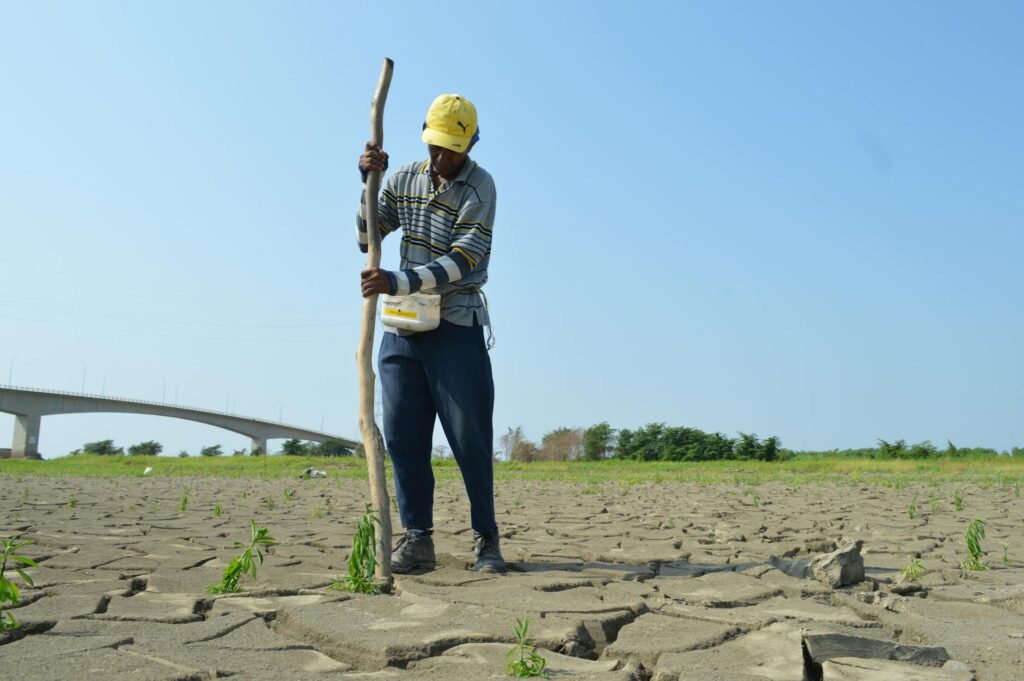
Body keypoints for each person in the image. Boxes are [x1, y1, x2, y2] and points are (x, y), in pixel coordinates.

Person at [356, 93, 504, 573]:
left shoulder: (480, 189)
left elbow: (463, 261)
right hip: (402, 329)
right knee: (402, 435)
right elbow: (367, 236)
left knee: (470, 439)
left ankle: (486, 540)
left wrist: (397, 281)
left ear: (471, 143)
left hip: (455, 326)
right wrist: (368, 183)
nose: (441, 158)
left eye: (451, 150)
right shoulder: (403, 180)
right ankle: (417, 539)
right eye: (435, 147)